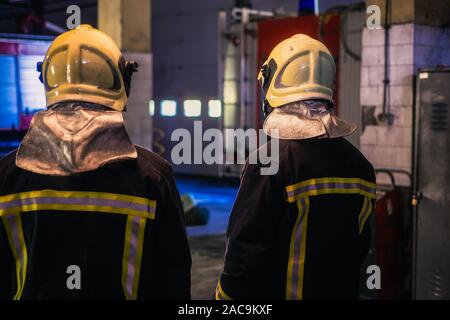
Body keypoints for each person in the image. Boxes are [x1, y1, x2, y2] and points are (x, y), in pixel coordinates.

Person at [0, 25, 191, 300]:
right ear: (124, 79)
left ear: (47, 81)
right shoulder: (153, 176)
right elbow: (173, 274)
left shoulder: (7, 176)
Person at [215, 34, 376, 300]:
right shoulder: (361, 166)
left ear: (272, 84)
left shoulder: (269, 162)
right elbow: (359, 250)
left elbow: (244, 255)